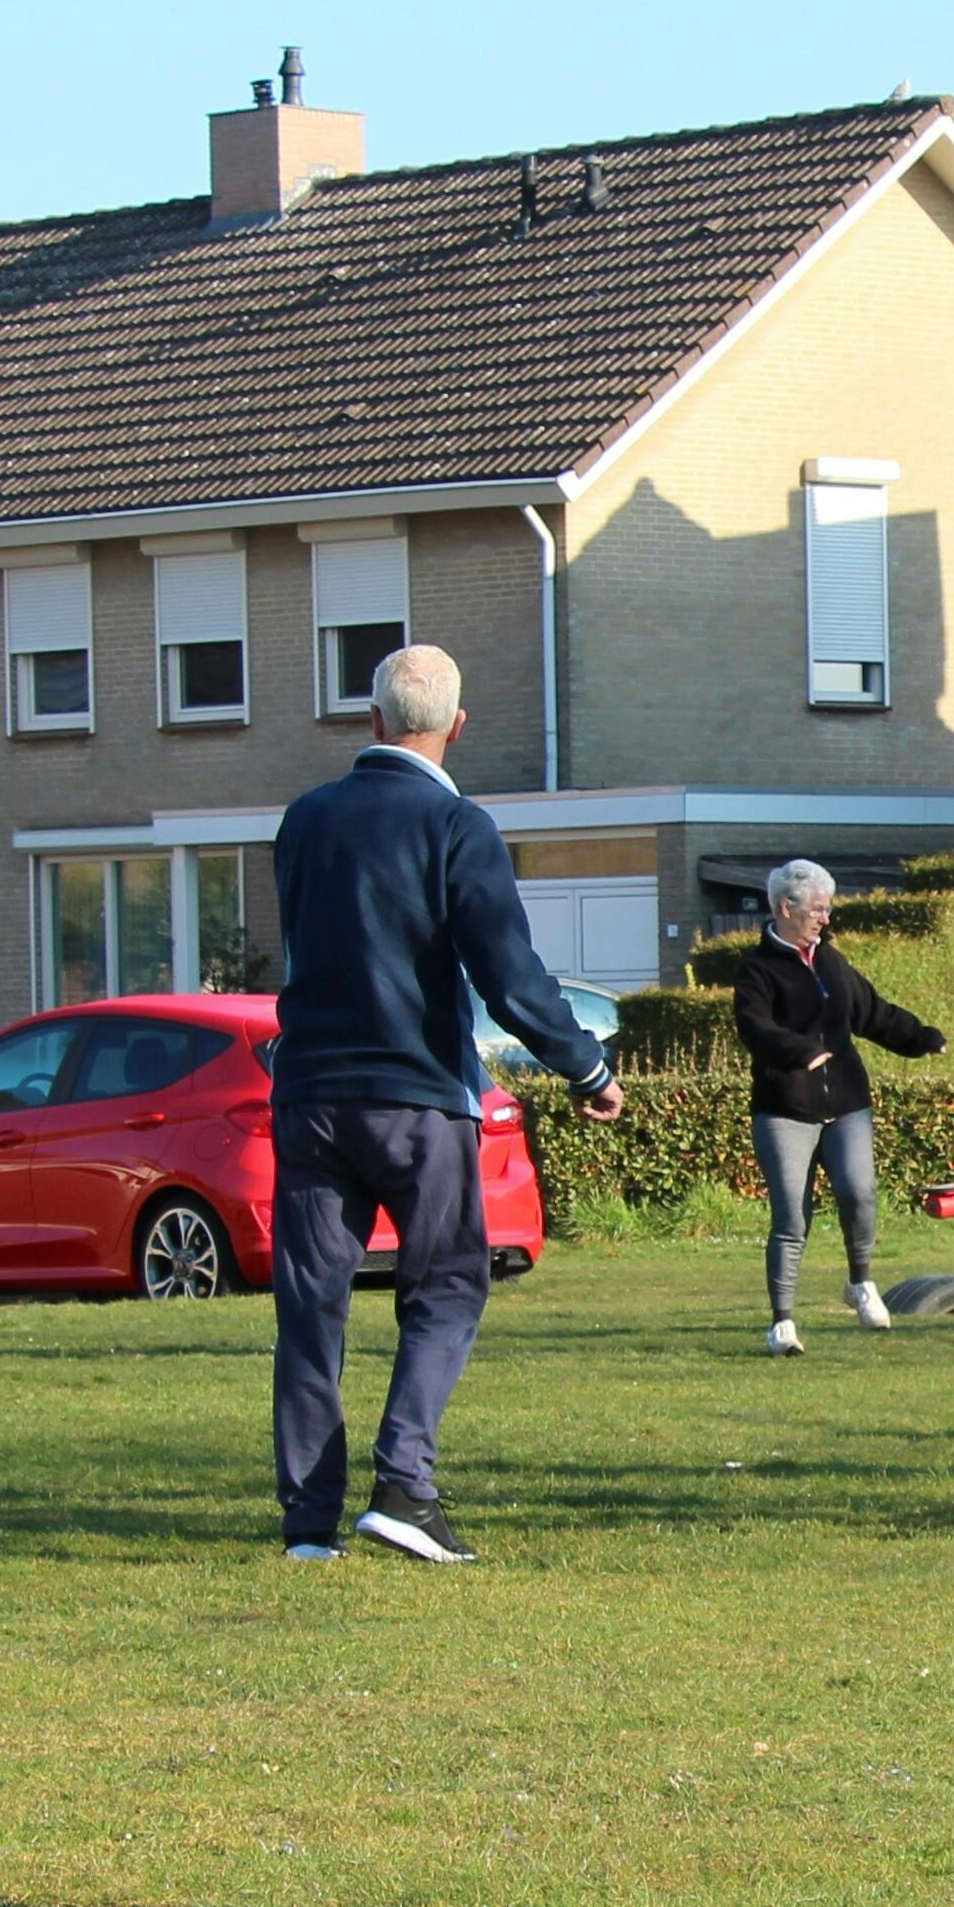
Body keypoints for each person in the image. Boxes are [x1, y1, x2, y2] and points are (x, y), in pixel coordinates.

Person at [266, 644, 624, 1562]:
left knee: (311, 1304)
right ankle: (404, 1484)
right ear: (458, 726)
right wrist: (585, 1066)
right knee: (448, 1283)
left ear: (373, 719)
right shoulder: (458, 825)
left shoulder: (304, 821)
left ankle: (309, 1522)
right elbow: (508, 973)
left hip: (309, 1090)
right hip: (417, 1092)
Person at [729, 858, 944, 1354]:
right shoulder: (757, 970)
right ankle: (782, 1323)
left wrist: (921, 1038)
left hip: (847, 1102)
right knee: (791, 1219)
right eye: (818, 910)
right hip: (784, 1107)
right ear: (786, 908)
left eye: (828, 910)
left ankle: (860, 1282)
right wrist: (799, 1052)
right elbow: (755, 1028)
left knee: (859, 1192)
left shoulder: (832, 961)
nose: (826, 919)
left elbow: (872, 1012)